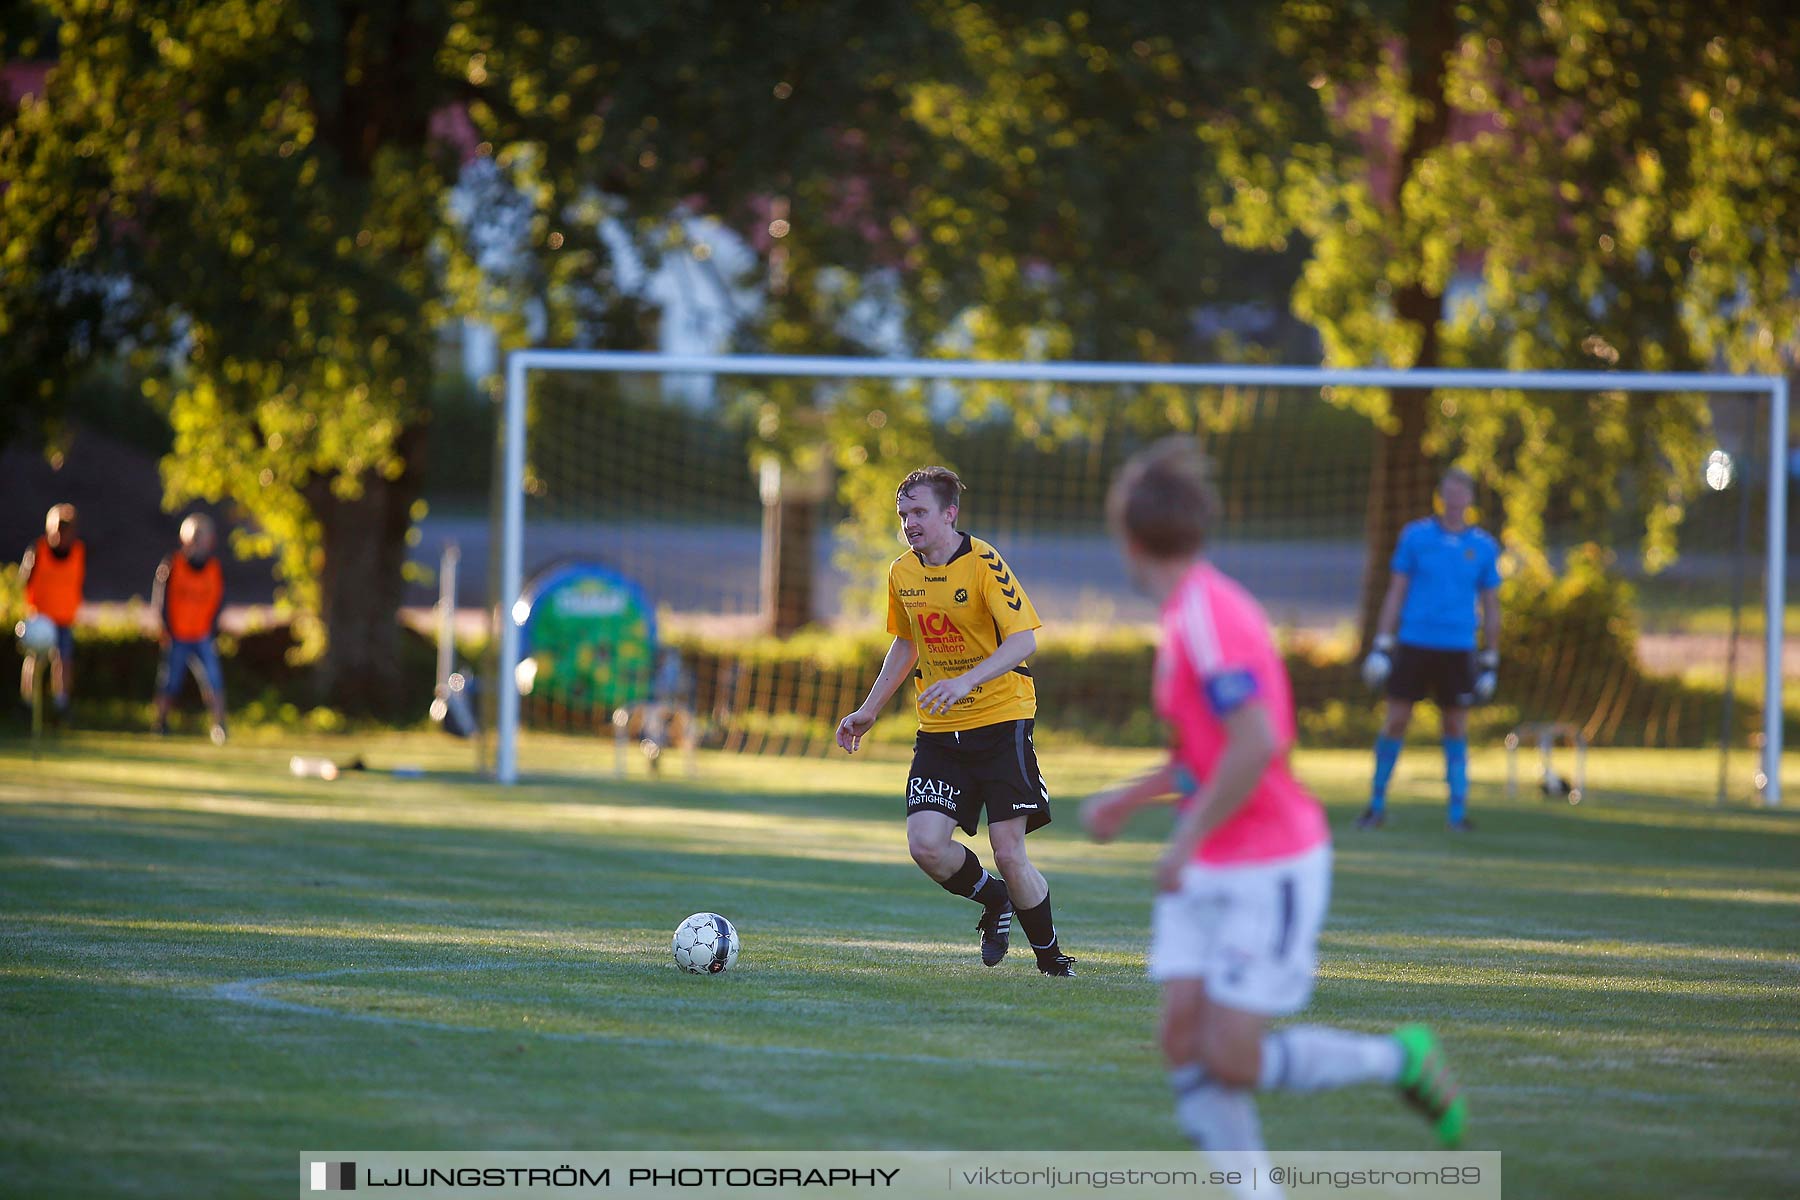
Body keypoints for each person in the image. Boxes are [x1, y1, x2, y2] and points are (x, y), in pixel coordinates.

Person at [1080, 438, 1465, 1184]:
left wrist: (1183, 839)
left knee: (1230, 1057)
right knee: (1181, 1038)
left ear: (1128, 538)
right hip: (1211, 861)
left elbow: (1257, 743)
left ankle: (1400, 1058)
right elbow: (1208, 751)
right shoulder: (1187, 614)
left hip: (1268, 863)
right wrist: (1127, 802)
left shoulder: (1206, 616)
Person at [836, 466, 1075, 976]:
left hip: (1001, 719)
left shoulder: (984, 562)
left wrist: (967, 680)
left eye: (920, 512)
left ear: (950, 513)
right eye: (903, 515)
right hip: (941, 731)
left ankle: (1052, 962)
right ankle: (995, 902)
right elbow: (907, 642)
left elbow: (1024, 641)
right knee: (925, 845)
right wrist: (869, 710)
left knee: (1009, 851)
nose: (910, 524)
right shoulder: (903, 572)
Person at [1357, 468, 1501, 832]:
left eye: (1462, 492)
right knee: (1396, 720)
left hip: (1459, 648)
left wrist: (1490, 659)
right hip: (1414, 643)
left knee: (1454, 726)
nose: (1455, 500)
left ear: (1469, 498)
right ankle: (1375, 805)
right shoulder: (1416, 536)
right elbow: (1396, 591)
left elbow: (1492, 605)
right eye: (1449, 492)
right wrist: (1382, 644)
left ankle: (1457, 814)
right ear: (1441, 495)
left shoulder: (1483, 546)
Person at [151, 513, 228, 744]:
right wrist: (167, 629)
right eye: (194, 538)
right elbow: (161, 602)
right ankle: (160, 723)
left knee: (214, 680)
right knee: (169, 682)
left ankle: (220, 726)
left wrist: (213, 629)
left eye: (202, 538)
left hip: (202, 635)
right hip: (178, 636)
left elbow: (219, 602)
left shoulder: (214, 569)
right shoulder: (173, 565)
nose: (198, 543)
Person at [20, 504, 85, 719]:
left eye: (65, 529)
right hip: (41, 618)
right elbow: (25, 582)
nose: (60, 534)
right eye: (57, 528)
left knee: (64, 661)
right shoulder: (38, 550)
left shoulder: (77, 552)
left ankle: (61, 704)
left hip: (65, 617)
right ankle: (28, 703)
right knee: (35, 661)